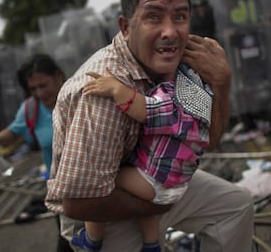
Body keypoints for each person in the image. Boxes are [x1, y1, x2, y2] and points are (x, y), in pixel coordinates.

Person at [45, 0, 254, 252]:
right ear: (126, 27)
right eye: (153, 16)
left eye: (179, 17)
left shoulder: (180, 66)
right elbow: (79, 201)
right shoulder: (103, 92)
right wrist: (159, 202)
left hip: (154, 176)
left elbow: (205, 140)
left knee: (235, 206)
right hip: (99, 211)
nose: (170, 32)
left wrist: (222, 82)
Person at [73, 62, 213, 252]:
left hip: (153, 182)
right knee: (148, 203)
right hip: (176, 185)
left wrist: (116, 88)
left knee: (98, 181)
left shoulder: (171, 99)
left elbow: (147, 110)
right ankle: (151, 243)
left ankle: (91, 239)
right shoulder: (200, 104)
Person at [0, 53, 73, 252]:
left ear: (58, 75)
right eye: (33, 89)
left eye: (43, 85)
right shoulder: (31, 109)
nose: (39, 93)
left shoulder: (80, 99)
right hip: (62, 195)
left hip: (98, 190)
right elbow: (13, 132)